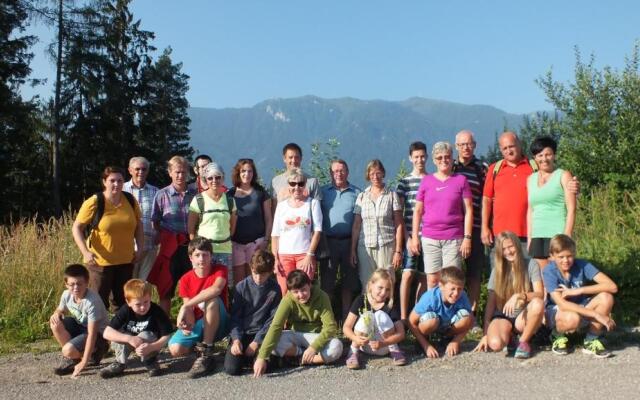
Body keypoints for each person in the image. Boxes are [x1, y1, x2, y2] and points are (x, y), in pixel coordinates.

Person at [482, 131, 579, 262]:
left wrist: (575, 186)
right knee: (502, 276)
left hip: (528, 233)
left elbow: (556, 181)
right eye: (505, 148)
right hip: (501, 234)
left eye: (511, 146)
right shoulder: (495, 169)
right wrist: (485, 227)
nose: (509, 151)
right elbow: (487, 199)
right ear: (500, 150)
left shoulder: (533, 167)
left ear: (519, 144)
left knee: (532, 277)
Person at [72, 166, 143, 310]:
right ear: (104, 182)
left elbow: (138, 226)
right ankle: (96, 332)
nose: (116, 184)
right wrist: (85, 252)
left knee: (124, 302)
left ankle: (120, 329)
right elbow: (77, 228)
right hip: (100, 263)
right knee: (98, 302)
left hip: (126, 261)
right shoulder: (95, 202)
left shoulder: (130, 200)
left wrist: (140, 248)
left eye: (120, 180)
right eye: (112, 180)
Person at [253, 270, 343, 378]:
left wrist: (313, 348)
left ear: (309, 285)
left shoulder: (322, 296)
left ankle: (305, 360)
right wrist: (261, 357)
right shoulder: (287, 300)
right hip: (296, 334)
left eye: (303, 290)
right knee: (271, 340)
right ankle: (302, 354)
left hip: (316, 336)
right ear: (290, 292)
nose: (300, 295)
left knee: (337, 346)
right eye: (295, 292)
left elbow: (330, 327)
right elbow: (276, 326)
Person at [409, 142, 473, 289]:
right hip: (430, 237)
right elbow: (418, 211)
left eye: (447, 157)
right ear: (434, 160)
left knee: (452, 281)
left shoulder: (461, 180)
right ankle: (434, 311)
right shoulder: (427, 181)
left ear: (452, 159)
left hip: (453, 238)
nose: (443, 160)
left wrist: (467, 238)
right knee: (432, 280)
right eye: (439, 158)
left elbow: (468, 210)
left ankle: (451, 311)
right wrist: (414, 238)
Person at [543, 234, 617, 358]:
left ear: (574, 253)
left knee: (606, 297)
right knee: (572, 317)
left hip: (581, 306)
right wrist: (597, 315)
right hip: (558, 311)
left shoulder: (582, 265)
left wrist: (578, 290)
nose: (566, 260)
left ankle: (591, 340)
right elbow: (562, 303)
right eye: (561, 257)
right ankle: (557, 335)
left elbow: (612, 286)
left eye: (569, 256)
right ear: (551, 256)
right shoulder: (549, 271)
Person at [473, 231, 544, 359]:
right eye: (504, 249)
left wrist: (520, 295)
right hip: (503, 315)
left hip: (522, 315)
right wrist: (486, 334)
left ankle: (523, 342)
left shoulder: (531, 264)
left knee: (538, 303)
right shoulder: (497, 270)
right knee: (495, 344)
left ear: (517, 245)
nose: (508, 252)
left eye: (510, 246)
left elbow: (540, 294)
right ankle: (510, 338)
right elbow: (490, 305)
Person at [168, 237, 230, 378]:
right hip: (199, 323)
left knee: (212, 299)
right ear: (191, 258)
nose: (201, 259)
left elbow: (216, 289)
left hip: (221, 322)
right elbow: (189, 311)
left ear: (211, 256)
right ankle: (199, 349)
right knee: (175, 349)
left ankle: (206, 352)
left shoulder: (220, 270)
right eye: (197, 255)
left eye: (205, 254)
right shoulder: (185, 279)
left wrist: (185, 306)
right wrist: (186, 323)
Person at [148, 156, 197, 315]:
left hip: (190, 247)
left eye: (183, 172)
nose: (180, 176)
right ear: (170, 173)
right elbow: (155, 220)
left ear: (188, 173)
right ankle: (164, 326)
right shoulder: (162, 195)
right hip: (170, 247)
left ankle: (190, 323)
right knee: (166, 287)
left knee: (191, 287)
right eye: (177, 172)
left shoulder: (195, 195)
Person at [224, 250, 282, 375]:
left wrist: (257, 342)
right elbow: (235, 317)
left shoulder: (275, 289)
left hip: (262, 335)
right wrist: (236, 339)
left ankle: (257, 358)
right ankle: (247, 358)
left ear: (271, 272)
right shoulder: (241, 287)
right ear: (251, 268)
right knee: (231, 369)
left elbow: (273, 319)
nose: (258, 278)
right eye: (255, 273)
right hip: (243, 333)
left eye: (263, 274)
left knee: (268, 367)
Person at [100, 279, 173, 378]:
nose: (143, 307)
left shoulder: (156, 311)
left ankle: (150, 360)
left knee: (146, 335)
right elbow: (107, 333)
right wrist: (129, 339)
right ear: (128, 302)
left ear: (150, 298)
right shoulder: (125, 310)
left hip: (149, 343)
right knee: (119, 335)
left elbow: (167, 335)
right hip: (131, 340)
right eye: (138, 304)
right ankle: (120, 363)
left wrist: (152, 347)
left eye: (146, 302)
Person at [452, 130, 488, 326]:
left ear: (474, 145)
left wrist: (485, 226)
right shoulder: (451, 166)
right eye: (462, 144)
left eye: (469, 144)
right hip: (452, 228)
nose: (466, 147)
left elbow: (488, 198)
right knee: (453, 273)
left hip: (474, 229)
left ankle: (471, 316)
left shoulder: (482, 168)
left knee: (474, 273)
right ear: (456, 146)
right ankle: (455, 314)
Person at [319, 159, 361, 320]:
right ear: (330, 173)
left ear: (347, 172)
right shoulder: (323, 192)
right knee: (327, 282)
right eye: (335, 171)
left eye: (342, 170)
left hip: (349, 242)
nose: (339, 174)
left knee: (348, 282)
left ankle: (346, 318)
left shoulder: (357, 193)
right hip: (328, 242)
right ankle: (328, 318)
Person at [351, 159, 403, 289]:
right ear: (368, 175)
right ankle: (367, 308)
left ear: (383, 174)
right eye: (372, 173)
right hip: (365, 246)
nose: (375, 176)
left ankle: (387, 308)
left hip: (386, 245)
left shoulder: (391, 195)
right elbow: (356, 225)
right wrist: (352, 249)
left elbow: (399, 224)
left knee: (387, 281)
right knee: (367, 282)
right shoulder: (362, 197)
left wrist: (398, 251)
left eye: (378, 173)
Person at [49, 264, 109, 377]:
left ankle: (94, 353)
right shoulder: (66, 295)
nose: (76, 287)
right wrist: (57, 313)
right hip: (81, 327)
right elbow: (60, 309)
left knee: (67, 350)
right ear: (66, 284)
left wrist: (84, 362)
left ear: (87, 283)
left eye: (79, 284)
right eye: (72, 284)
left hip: (98, 335)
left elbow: (92, 333)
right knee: (55, 323)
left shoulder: (92, 302)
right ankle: (73, 358)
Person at [527, 136, 576, 269]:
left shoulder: (563, 175)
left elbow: (571, 208)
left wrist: (567, 233)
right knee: (541, 276)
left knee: (558, 274)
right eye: (540, 155)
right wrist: (530, 236)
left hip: (557, 232)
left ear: (554, 155)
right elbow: (531, 210)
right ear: (535, 158)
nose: (544, 159)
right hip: (538, 234)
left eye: (548, 154)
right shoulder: (530, 179)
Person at [271, 168, 322, 295]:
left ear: (305, 185)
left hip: (304, 255)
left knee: (303, 292)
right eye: (293, 184)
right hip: (284, 256)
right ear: (288, 186)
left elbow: (317, 231)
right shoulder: (281, 206)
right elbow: (275, 235)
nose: (296, 187)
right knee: (285, 293)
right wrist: (275, 259)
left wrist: (309, 255)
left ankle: (304, 316)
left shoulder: (313, 203)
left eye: (300, 184)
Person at [343, 269, 407, 369]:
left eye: (387, 289)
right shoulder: (360, 300)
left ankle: (395, 350)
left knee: (380, 315)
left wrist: (383, 343)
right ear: (371, 285)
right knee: (367, 316)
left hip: (384, 346)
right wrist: (355, 339)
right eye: (380, 288)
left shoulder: (389, 305)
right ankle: (353, 352)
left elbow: (401, 333)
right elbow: (346, 327)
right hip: (363, 345)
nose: (383, 293)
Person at [408, 266, 473, 358]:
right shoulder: (430, 298)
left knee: (466, 317)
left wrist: (456, 341)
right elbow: (411, 321)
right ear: (441, 286)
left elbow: (470, 321)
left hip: (448, 327)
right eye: (453, 289)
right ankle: (424, 341)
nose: (456, 293)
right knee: (430, 321)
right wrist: (426, 346)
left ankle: (447, 339)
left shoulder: (462, 296)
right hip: (431, 324)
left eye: (460, 289)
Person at [396, 142, 429, 321]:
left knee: (425, 276)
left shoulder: (431, 179)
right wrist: (407, 237)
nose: (419, 160)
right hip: (411, 235)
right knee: (407, 274)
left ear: (427, 157)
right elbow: (398, 213)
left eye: (422, 156)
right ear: (410, 158)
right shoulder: (404, 183)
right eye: (416, 157)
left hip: (429, 236)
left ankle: (418, 314)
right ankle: (403, 317)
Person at [187, 162, 237, 277]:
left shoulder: (230, 201)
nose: (214, 180)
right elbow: (191, 229)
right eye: (210, 178)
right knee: (203, 283)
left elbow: (232, 227)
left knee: (224, 285)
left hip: (225, 249)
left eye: (218, 177)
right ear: (205, 180)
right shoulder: (198, 200)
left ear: (223, 178)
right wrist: (196, 249)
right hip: (203, 252)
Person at [229, 158, 272, 286]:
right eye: (243, 171)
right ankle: (239, 306)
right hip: (236, 244)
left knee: (254, 280)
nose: (246, 174)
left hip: (256, 244)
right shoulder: (229, 194)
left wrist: (266, 240)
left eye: (250, 171)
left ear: (254, 174)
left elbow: (269, 218)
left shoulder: (261, 192)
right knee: (239, 283)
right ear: (238, 172)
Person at [124, 156, 159, 280]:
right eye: (137, 169)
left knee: (144, 285)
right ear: (130, 170)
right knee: (128, 284)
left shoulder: (156, 192)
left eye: (144, 169)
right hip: (127, 246)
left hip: (149, 246)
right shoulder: (122, 190)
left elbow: (159, 217)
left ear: (148, 171)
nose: (140, 172)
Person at [271, 143, 320, 211]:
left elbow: (317, 208)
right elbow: (274, 209)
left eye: (296, 157)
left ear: (301, 158)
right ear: (284, 159)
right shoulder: (276, 181)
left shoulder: (312, 181)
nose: (294, 160)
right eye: (290, 157)